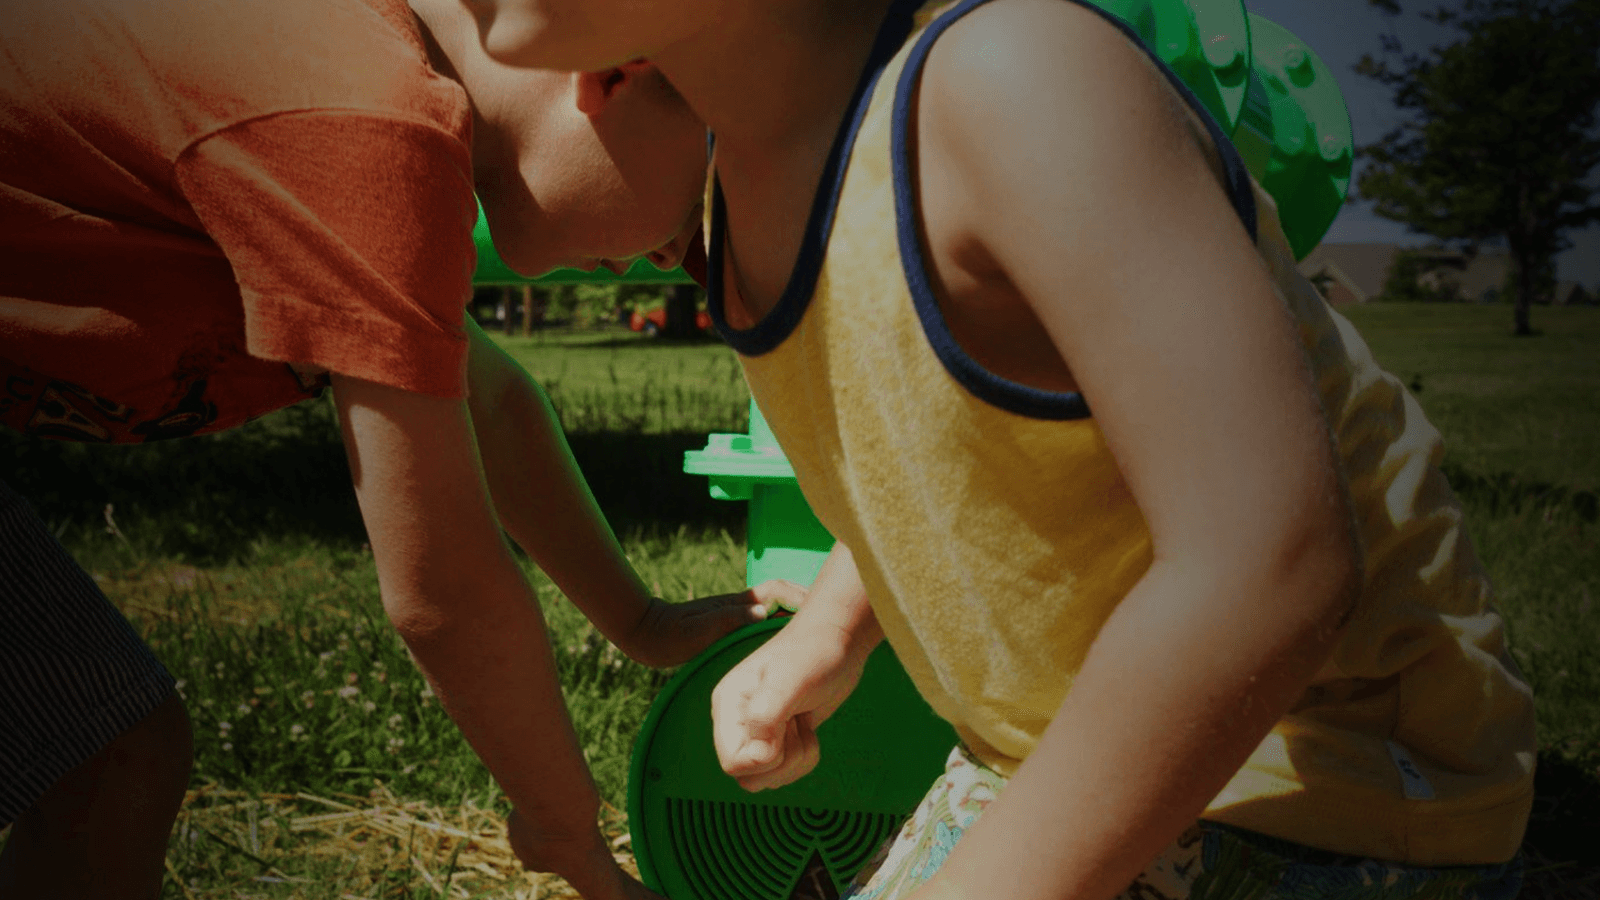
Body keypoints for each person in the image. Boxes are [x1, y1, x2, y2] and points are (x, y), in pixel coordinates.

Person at [461, 0, 1539, 898]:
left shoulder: (1011, 84)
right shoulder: (741, 209)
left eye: (463, 138)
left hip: (1321, 790)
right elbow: (946, 461)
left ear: (607, 73)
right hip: (1049, 756)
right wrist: (835, 631)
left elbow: (1267, 567)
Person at [0, 0, 804, 897]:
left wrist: (641, 622)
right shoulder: (363, 122)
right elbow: (447, 592)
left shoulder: (379, 94)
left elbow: (485, 402)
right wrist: (566, 835)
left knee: (105, 761)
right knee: (107, 757)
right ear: (619, 72)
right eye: (714, 195)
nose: (689, 257)